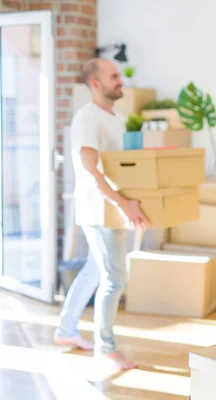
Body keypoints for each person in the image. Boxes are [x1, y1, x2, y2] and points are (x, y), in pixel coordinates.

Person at [53, 58, 150, 370]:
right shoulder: (87, 119)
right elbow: (91, 170)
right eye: (113, 76)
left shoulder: (116, 118)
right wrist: (124, 204)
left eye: (119, 74)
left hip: (111, 210)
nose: (119, 80)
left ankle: (66, 331)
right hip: (98, 210)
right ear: (95, 84)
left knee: (94, 272)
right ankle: (106, 348)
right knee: (115, 277)